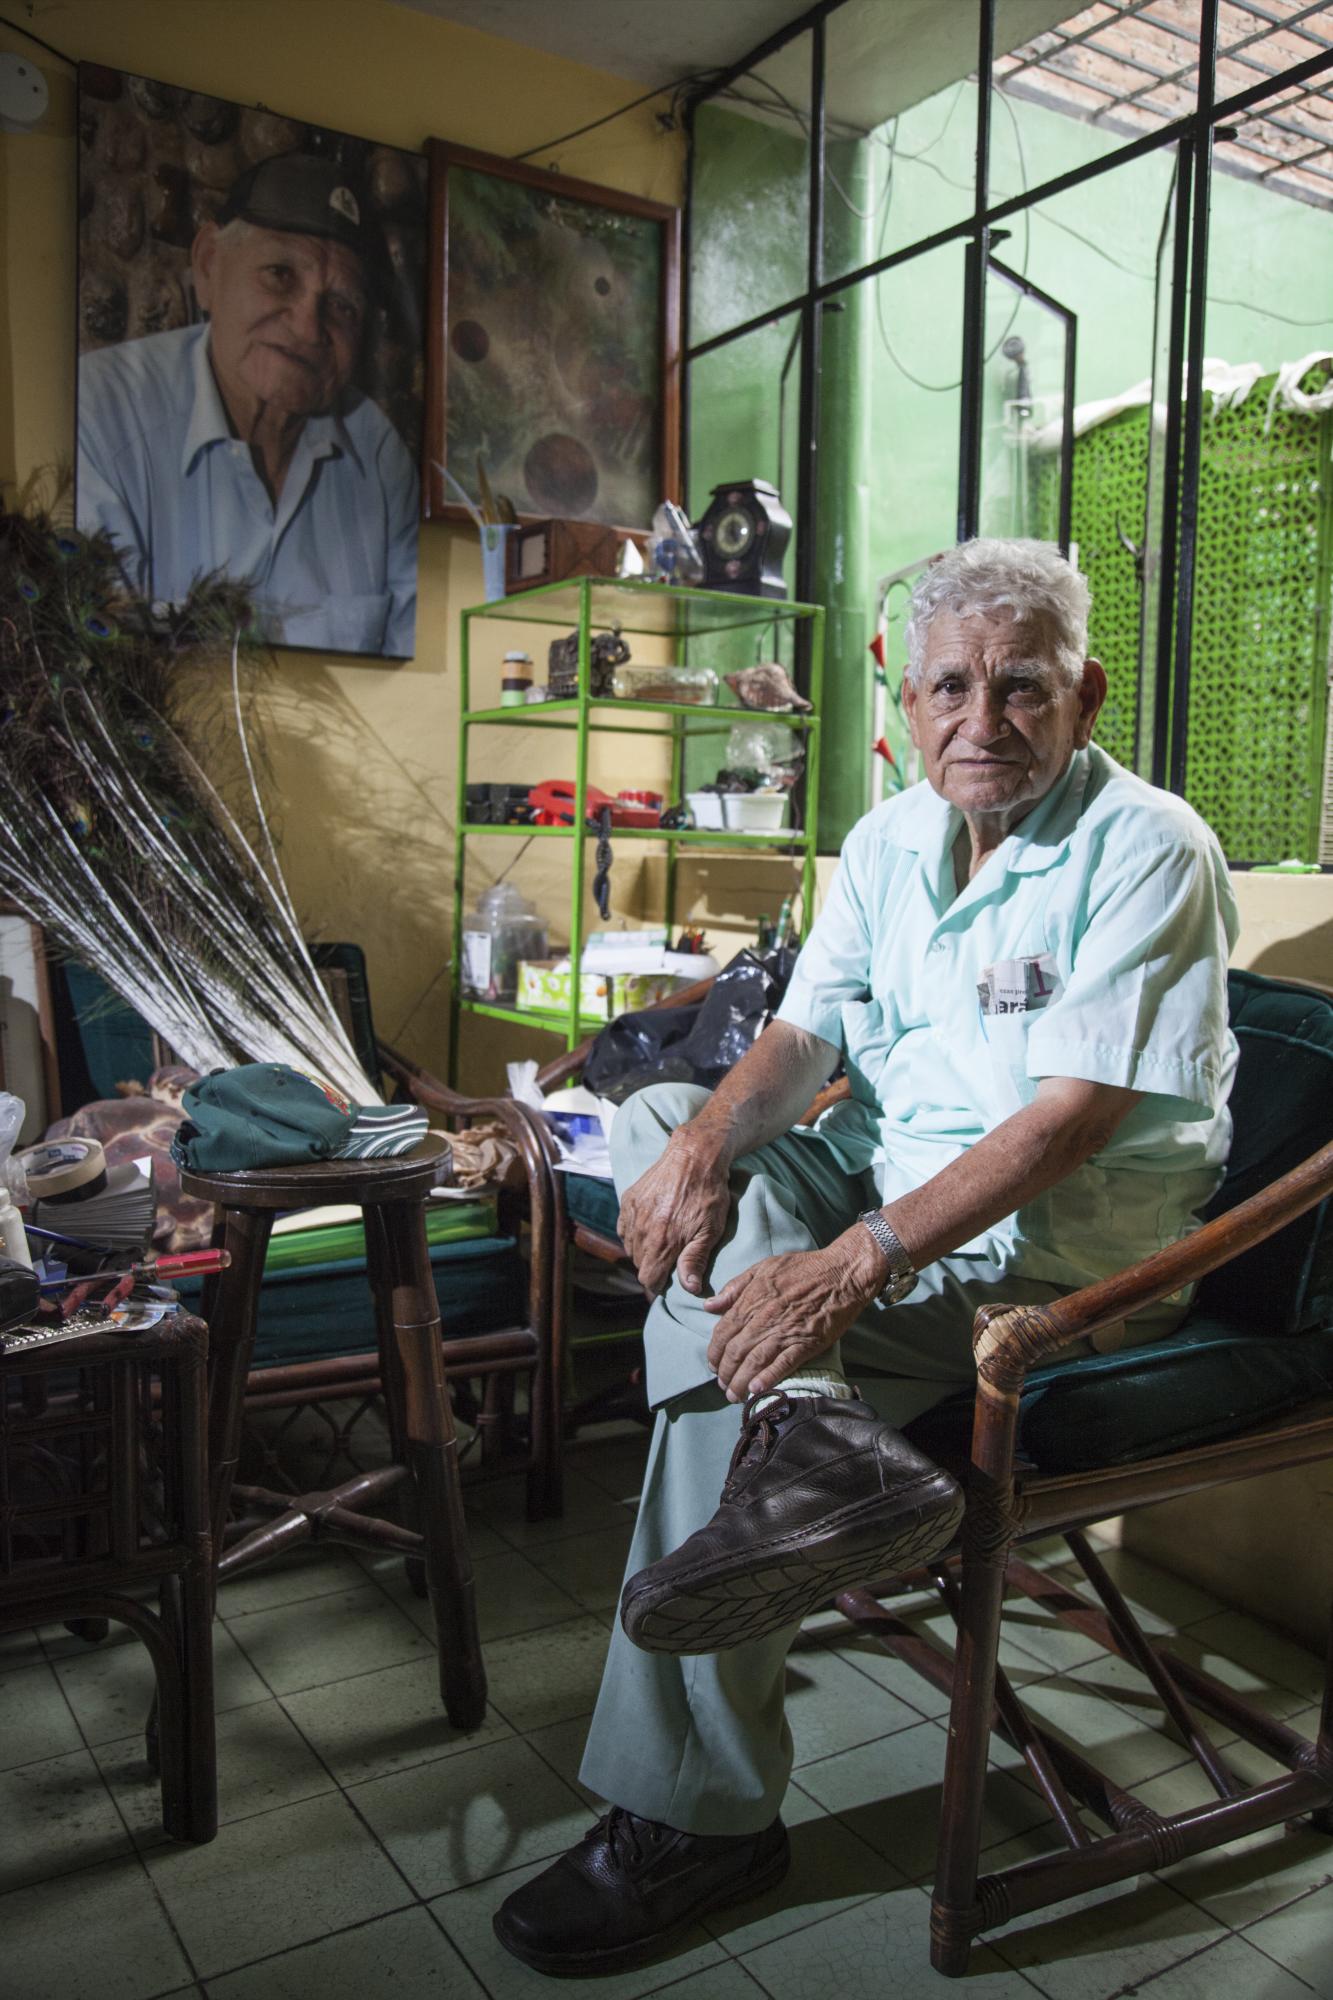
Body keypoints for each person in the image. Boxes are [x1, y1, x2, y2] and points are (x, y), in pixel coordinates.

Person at [492, 538, 1239, 1979]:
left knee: (722, 1378)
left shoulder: (1150, 847)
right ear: (903, 703)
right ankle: (813, 1430)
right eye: (948, 687)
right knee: (658, 1114)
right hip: (886, 1194)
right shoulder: (889, 838)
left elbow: (1067, 1128)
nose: (981, 720)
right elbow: (802, 1040)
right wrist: (712, 1149)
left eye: (1019, 689)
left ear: (1083, 696)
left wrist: (853, 1265)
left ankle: (699, 1815)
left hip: (1059, 1265)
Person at [77, 151, 418, 657]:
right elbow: (95, 668)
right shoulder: (103, 412)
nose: (307, 328)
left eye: (341, 304)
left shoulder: (380, 455)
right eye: (280, 274)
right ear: (209, 265)